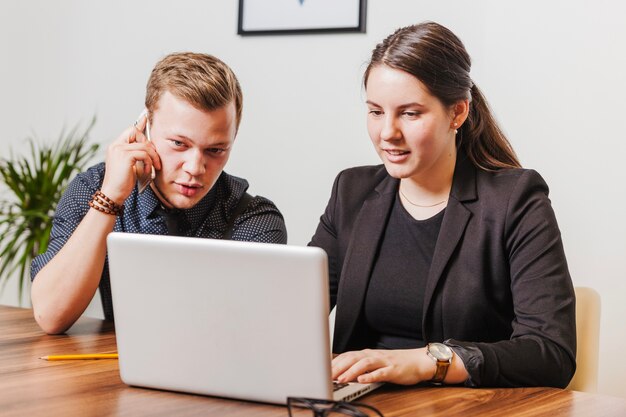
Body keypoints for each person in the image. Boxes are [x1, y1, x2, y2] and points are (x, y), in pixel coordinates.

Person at [309, 22, 575, 388]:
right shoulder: (351, 192)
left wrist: (428, 361)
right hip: (361, 404)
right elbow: (293, 316)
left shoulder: (515, 200)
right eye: (375, 112)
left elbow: (551, 352)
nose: (388, 132)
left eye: (410, 113)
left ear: (458, 113)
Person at [31, 52, 287, 334]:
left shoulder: (254, 219)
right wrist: (110, 199)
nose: (195, 168)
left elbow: (250, 335)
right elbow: (51, 315)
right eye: (179, 143)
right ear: (145, 125)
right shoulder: (94, 189)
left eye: (215, 150)